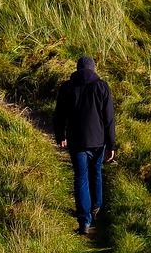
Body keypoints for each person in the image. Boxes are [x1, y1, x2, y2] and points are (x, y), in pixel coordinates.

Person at [52, 55, 117, 236]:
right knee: (95, 172)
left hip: (77, 140)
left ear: (78, 68)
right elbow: (109, 118)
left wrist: (60, 135)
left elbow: (59, 114)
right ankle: (96, 206)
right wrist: (111, 144)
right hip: (98, 141)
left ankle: (84, 220)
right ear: (93, 69)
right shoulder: (102, 87)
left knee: (81, 177)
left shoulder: (67, 87)